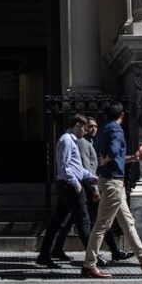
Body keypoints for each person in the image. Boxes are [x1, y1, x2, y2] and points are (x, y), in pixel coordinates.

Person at [81, 102, 142, 278]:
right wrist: (108, 158)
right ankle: (89, 265)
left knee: (128, 223)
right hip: (113, 183)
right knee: (102, 225)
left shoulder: (103, 130)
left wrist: (133, 158)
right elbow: (113, 152)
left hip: (109, 181)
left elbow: (114, 157)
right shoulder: (116, 130)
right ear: (122, 115)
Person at [51, 116, 134, 265]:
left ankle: (54, 250)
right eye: (88, 126)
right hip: (81, 186)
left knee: (72, 219)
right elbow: (72, 166)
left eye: (95, 126)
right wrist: (88, 186)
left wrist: (94, 177)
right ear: (78, 126)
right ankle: (95, 257)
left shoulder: (88, 142)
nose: (91, 129)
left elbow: (85, 166)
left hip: (82, 183)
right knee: (94, 221)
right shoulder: (77, 142)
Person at [36, 114, 98, 268]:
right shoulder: (66, 140)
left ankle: (44, 254)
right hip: (70, 186)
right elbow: (64, 166)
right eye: (84, 128)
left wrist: (91, 177)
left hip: (69, 184)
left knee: (58, 221)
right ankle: (92, 258)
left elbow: (77, 167)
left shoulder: (72, 141)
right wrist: (76, 184)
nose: (85, 131)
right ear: (77, 126)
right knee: (83, 221)